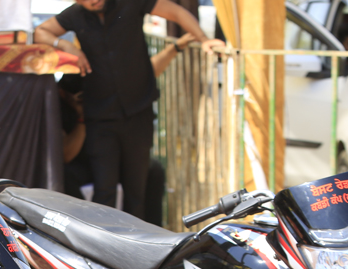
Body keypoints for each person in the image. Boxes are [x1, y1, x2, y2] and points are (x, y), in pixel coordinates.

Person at [35, 0, 223, 219]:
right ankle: (101, 239)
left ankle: (137, 239)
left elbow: (177, 12)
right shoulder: (74, 15)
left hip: (138, 113)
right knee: (104, 191)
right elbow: (40, 32)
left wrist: (203, 39)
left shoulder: (130, 3)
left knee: (137, 192)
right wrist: (66, 45)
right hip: (100, 117)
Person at [59, 34, 194, 225]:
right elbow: (66, 155)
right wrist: (82, 116)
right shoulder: (59, 105)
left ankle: (152, 229)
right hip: (84, 162)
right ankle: (83, 228)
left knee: (151, 171)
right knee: (84, 183)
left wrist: (174, 48)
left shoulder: (108, 86)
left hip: (112, 153)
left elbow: (147, 74)